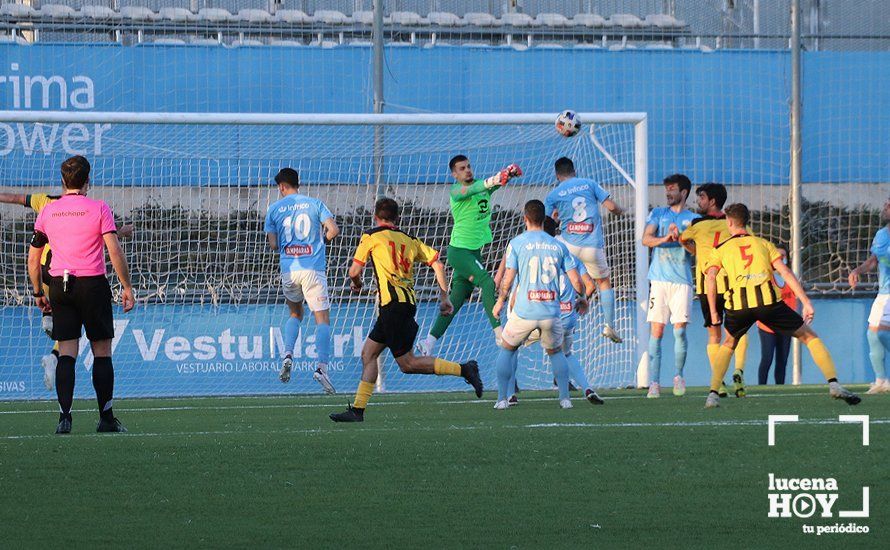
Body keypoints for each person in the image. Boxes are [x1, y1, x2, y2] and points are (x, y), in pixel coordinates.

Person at [330, 198, 482, 422]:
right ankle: (357, 410)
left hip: (393, 307)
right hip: (403, 305)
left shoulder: (370, 236)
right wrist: (444, 296)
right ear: (397, 218)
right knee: (368, 354)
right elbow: (438, 263)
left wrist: (358, 284)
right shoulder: (410, 240)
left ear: (375, 216)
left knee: (407, 363)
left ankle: (464, 369)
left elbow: (354, 270)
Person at [703, 203, 860, 408]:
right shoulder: (764, 244)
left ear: (730, 222)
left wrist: (714, 311)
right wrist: (806, 302)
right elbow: (785, 273)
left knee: (728, 344)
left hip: (738, 305)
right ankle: (834, 384)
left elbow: (711, 277)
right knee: (809, 337)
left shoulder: (721, 249)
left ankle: (713, 394)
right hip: (768, 303)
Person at [27, 155, 136, 433]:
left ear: (63, 181)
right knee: (102, 352)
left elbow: (33, 256)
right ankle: (106, 418)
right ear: (88, 181)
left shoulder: (48, 211)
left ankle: (65, 418)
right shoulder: (99, 208)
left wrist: (38, 290)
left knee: (66, 353)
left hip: (60, 287)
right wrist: (126, 286)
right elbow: (113, 249)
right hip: (92, 285)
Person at [0, 192, 133, 392]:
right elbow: (94, 237)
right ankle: (51, 334)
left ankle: (49, 323)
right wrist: (120, 232)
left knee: (66, 329)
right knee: (78, 329)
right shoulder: (91, 208)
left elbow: (15, 198)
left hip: (49, 274)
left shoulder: (46, 202)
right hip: (72, 274)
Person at [415, 156, 522, 356]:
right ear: (454, 174)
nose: (467, 171)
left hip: (474, 252)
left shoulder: (482, 187)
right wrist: (496, 179)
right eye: (462, 168)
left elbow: (495, 183)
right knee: (488, 283)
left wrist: (510, 172)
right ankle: (499, 334)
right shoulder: (456, 191)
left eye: (469, 166)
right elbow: (475, 188)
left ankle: (428, 342)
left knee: (455, 300)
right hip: (459, 252)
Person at [493, 216, 603, 405]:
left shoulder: (522, 246)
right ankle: (572, 395)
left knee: (509, 348)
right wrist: (582, 299)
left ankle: (507, 396)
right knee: (562, 354)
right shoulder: (564, 251)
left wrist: (503, 302)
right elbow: (584, 284)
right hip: (559, 315)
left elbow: (512, 282)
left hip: (528, 311)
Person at [264, 168, 339, 393]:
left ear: (281, 187)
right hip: (312, 268)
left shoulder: (274, 209)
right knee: (322, 319)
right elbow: (333, 230)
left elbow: (274, 245)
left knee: (295, 314)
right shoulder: (315, 203)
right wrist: (320, 242)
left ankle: (288, 354)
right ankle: (322, 368)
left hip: (290, 270)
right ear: (298, 183)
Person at [679, 183, 749, 397]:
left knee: (714, 334)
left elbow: (683, 240)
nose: (698, 201)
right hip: (732, 283)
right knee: (739, 330)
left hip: (707, 285)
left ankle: (719, 382)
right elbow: (746, 241)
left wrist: (696, 249)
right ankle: (738, 370)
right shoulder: (732, 223)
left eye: (701, 198)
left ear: (711, 201)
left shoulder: (697, 225)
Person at [544, 157, 624, 343]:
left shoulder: (553, 194)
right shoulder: (589, 184)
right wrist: (623, 210)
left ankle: (560, 320)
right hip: (592, 246)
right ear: (574, 170)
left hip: (568, 244)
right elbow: (611, 207)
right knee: (603, 282)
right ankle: (609, 326)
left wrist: (557, 219)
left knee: (566, 280)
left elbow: (546, 223)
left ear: (557, 175)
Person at [641, 174, 699, 397]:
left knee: (679, 332)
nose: (667, 193)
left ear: (683, 192)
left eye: (672, 189)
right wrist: (665, 238)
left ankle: (678, 376)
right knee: (656, 331)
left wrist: (682, 239)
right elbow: (646, 239)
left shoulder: (693, 219)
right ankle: (654, 382)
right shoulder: (657, 214)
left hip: (682, 282)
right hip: (659, 280)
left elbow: (697, 251)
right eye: (666, 189)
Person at [848, 197, 890, 394]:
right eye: (885, 203)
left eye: (888, 205)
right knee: (872, 335)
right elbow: (874, 261)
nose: (885, 207)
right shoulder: (882, 235)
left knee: (881, 333)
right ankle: (881, 381)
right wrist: (857, 270)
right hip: (884, 293)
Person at [756, 244, 797, 385]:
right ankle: (761, 388)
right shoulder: (765, 277)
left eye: (783, 256)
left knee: (782, 361)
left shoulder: (791, 277)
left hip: (785, 325)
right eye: (777, 256)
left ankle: (780, 389)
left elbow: (794, 300)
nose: (780, 258)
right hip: (767, 326)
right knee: (767, 359)